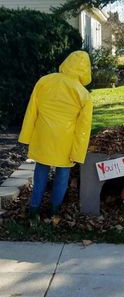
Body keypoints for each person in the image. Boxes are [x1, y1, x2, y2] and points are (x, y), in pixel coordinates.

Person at [18, 50, 93, 225]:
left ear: (66, 62)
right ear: (86, 69)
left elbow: (31, 112)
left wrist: (26, 137)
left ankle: (34, 211)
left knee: (40, 172)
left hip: (43, 136)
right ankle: (53, 213)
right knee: (62, 176)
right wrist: (78, 153)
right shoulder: (83, 94)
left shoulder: (44, 81)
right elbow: (83, 129)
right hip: (65, 141)